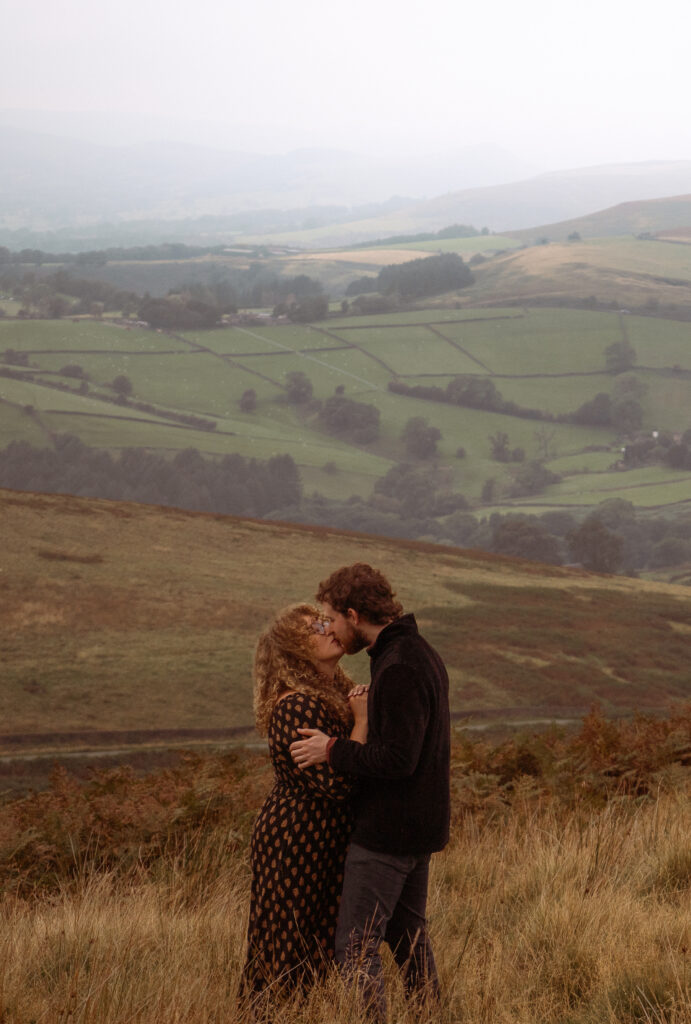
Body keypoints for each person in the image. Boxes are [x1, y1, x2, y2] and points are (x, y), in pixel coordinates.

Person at [290, 564, 450, 1021]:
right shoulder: (415, 653)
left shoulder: (398, 667)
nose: (330, 629)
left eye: (332, 619)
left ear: (354, 614)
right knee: (409, 941)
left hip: (388, 835)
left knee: (355, 949)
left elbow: (398, 760)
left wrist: (332, 748)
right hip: (418, 829)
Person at [241, 602, 368, 1007]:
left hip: (324, 839)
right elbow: (338, 786)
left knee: (321, 945)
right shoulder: (296, 705)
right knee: (288, 947)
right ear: (295, 648)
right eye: (314, 626)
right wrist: (362, 724)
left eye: (325, 620)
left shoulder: (332, 696)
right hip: (296, 841)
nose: (328, 628)